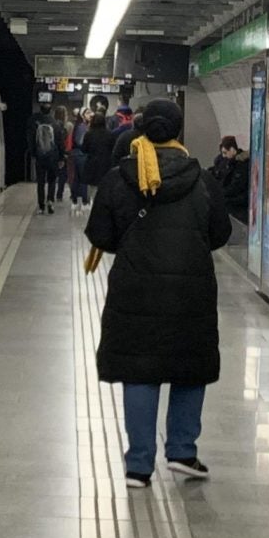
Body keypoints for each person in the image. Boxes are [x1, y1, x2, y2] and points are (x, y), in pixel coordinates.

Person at [85, 98, 231, 489]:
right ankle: (183, 452)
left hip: (134, 292)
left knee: (140, 372)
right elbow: (221, 234)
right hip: (191, 291)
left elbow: (101, 235)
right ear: (179, 131)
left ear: (142, 128)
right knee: (189, 367)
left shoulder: (120, 179)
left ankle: (138, 466)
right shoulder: (203, 181)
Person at [79, 105, 117, 206]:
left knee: (93, 188)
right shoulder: (110, 134)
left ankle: (93, 205)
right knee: (104, 187)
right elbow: (113, 149)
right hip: (106, 164)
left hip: (92, 164)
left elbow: (84, 150)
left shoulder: (89, 134)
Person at [30, 107, 65, 211]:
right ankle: (50, 201)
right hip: (53, 157)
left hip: (40, 157)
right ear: (51, 111)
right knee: (52, 180)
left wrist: (34, 154)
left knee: (40, 182)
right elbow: (60, 142)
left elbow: (32, 140)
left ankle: (41, 205)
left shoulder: (36, 123)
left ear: (40, 110)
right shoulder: (55, 124)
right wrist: (61, 158)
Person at [211, 136, 251, 224]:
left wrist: (219, 193)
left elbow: (236, 187)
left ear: (232, 150)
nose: (223, 156)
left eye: (225, 152)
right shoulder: (225, 161)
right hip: (230, 201)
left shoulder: (242, 165)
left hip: (238, 205)